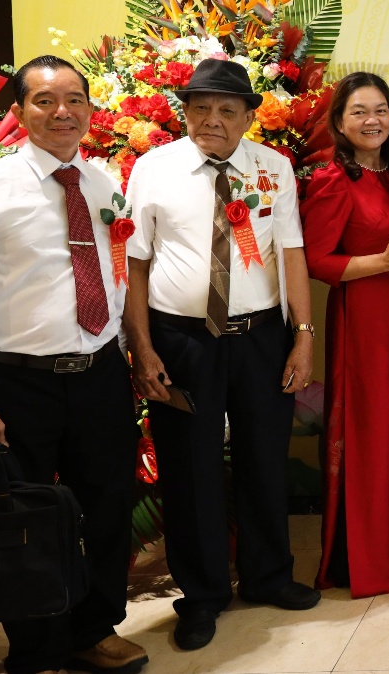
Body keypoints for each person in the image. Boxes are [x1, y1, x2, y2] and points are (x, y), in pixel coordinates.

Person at [125, 58, 320, 652]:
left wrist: (303, 334)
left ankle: (268, 576)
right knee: (190, 469)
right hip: (181, 341)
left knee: (265, 457)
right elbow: (135, 262)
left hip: (260, 337)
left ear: (248, 117)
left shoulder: (273, 167)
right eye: (200, 107)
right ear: (185, 111)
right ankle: (203, 595)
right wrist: (142, 346)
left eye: (227, 110)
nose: (212, 119)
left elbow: (291, 251)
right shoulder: (153, 169)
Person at [0, 57, 145, 674]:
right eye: (45, 100)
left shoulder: (102, 183)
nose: (63, 112)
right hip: (18, 381)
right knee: (26, 517)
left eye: (75, 99)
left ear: (90, 110)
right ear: (19, 111)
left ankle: (94, 629)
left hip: (99, 373)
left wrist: (128, 353)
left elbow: (117, 275)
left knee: (108, 508)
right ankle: (37, 649)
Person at [301, 72, 389, 597]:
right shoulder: (334, 178)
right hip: (367, 320)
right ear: (339, 121)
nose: (372, 120)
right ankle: (373, 560)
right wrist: (383, 261)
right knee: (374, 431)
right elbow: (317, 260)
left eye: (380, 110)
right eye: (358, 111)